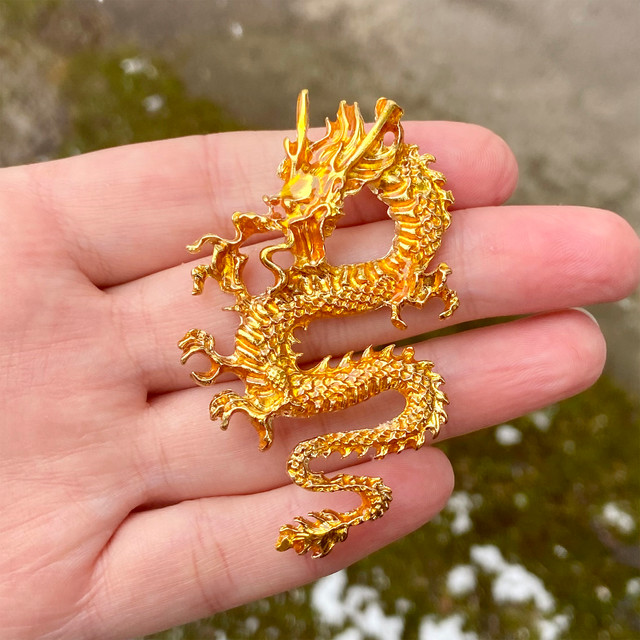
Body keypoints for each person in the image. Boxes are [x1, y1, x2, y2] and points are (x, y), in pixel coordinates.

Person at [0, 121, 638, 639]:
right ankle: (339, 486)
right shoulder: (330, 259)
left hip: (296, 375)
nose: (304, 229)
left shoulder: (389, 241)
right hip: (287, 378)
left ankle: (341, 489)